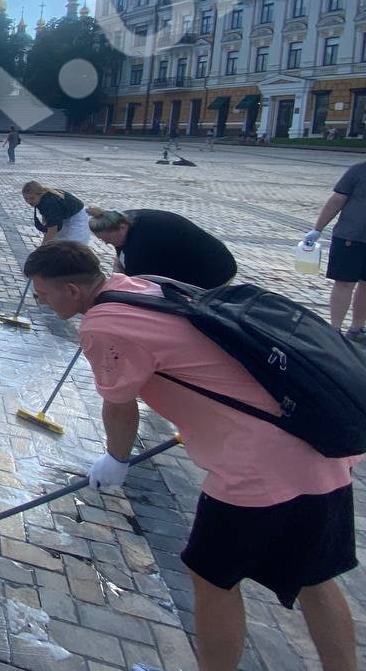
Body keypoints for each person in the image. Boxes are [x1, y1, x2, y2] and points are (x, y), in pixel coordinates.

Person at [23, 242, 359, 671]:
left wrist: (115, 459)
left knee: (211, 576)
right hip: (316, 446)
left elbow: (120, 406)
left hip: (258, 466)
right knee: (314, 577)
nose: (41, 302)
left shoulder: (103, 324)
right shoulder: (143, 286)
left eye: (43, 294)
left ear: (70, 290)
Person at [87, 207, 237, 288]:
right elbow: (120, 261)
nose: (107, 244)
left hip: (215, 273)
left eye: (109, 240)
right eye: (103, 241)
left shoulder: (141, 245)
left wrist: (115, 285)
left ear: (121, 227)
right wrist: (117, 278)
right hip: (212, 259)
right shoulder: (123, 218)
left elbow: (137, 286)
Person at [303, 158, 366, 337]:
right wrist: (317, 229)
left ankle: (357, 328)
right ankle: (335, 330)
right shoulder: (358, 171)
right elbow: (337, 200)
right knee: (345, 283)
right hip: (350, 237)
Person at [22, 180, 88, 244]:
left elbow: (52, 230)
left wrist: (41, 250)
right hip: (64, 217)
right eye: (26, 199)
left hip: (77, 217)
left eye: (32, 198)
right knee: (58, 245)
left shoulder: (49, 203)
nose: (28, 202)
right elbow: (47, 223)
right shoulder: (41, 199)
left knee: (75, 247)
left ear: (40, 194)